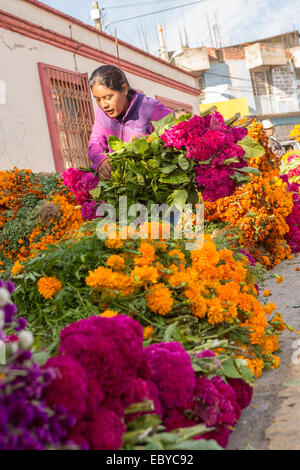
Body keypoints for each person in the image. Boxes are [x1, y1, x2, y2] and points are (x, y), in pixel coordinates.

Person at [88, 65, 173, 180]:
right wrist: (101, 161)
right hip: (120, 184)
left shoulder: (150, 108)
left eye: (108, 97)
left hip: (150, 182)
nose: (103, 105)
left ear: (124, 89)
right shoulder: (102, 114)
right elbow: (95, 142)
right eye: (98, 99)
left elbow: (175, 134)